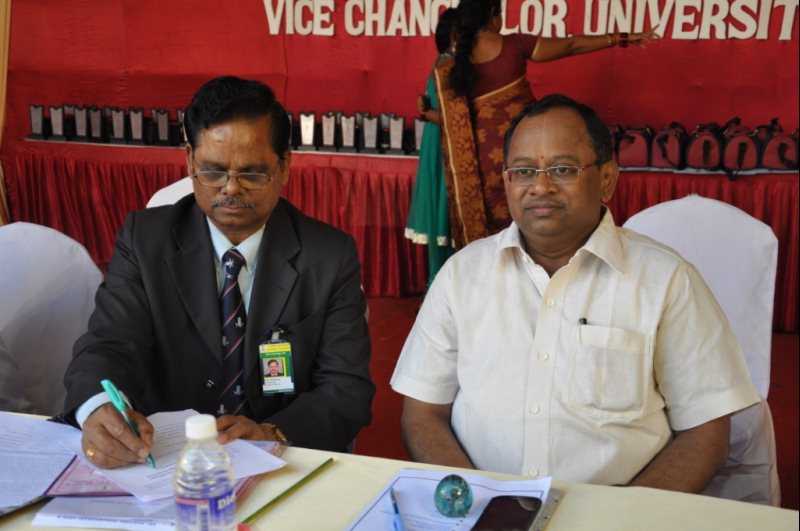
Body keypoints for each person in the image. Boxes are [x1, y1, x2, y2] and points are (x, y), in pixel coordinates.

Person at [390, 94, 760, 493]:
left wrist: (627, 518)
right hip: (482, 509)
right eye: (524, 171)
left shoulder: (666, 280)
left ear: (607, 179)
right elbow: (424, 412)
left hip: (616, 516)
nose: (540, 186)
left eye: (562, 169)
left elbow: (706, 431)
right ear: (507, 181)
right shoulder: (462, 275)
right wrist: (477, 502)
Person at [63, 76, 375, 468]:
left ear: (284, 166)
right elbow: (110, 343)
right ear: (190, 161)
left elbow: (346, 387)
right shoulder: (145, 241)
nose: (231, 189)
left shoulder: (328, 255)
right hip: (166, 459)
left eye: (252, 174)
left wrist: (273, 434)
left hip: (277, 460)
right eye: (213, 172)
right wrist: (97, 407)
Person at [438, 0, 659, 248]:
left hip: (477, 160)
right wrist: (619, 38)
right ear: (493, 15)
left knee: (490, 231)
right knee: (534, 213)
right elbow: (571, 45)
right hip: (525, 152)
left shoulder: (453, 60)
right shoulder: (514, 44)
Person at [405, 7, 458, 287]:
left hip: (439, 142)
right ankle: (443, 287)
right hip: (446, 144)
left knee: (443, 218)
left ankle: (439, 285)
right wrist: (427, 113)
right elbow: (455, 117)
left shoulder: (443, 61)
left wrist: (426, 112)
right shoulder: (450, 64)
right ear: (456, 34)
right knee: (446, 217)